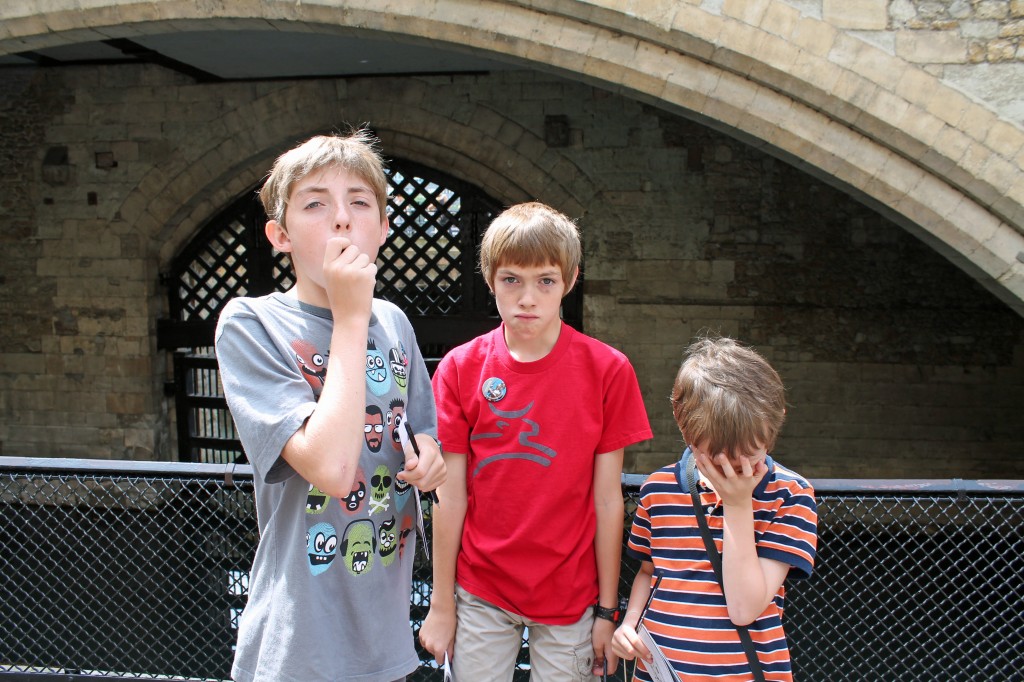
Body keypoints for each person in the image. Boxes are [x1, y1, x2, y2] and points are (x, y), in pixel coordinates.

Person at [214, 129, 446, 682]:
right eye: (315, 203)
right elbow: (333, 471)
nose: (341, 219)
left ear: (384, 228)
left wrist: (430, 458)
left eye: (359, 203)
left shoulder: (395, 323)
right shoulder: (251, 323)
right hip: (300, 651)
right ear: (280, 235)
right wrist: (349, 316)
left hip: (387, 645)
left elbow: (423, 434)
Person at [419, 201, 653, 681]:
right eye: (512, 280)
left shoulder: (608, 370)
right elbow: (450, 494)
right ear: (490, 279)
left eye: (545, 280)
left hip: (569, 595)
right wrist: (440, 605)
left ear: (569, 281)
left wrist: (608, 613)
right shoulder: (461, 368)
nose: (528, 297)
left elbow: (608, 501)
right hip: (480, 589)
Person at [611, 336, 818, 681]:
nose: (734, 471)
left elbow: (744, 608)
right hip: (659, 671)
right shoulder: (658, 490)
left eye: (749, 457)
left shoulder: (790, 494)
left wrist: (738, 504)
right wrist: (629, 624)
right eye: (718, 459)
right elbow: (649, 573)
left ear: (776, 420)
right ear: (681, 421)